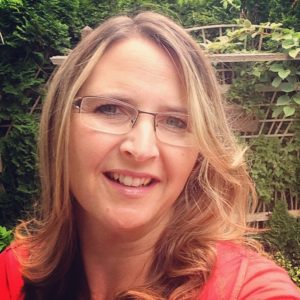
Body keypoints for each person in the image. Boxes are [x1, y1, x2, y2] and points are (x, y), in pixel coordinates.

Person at [0, 11, 299, 300]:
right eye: (110, 109)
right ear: (60, 125)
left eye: (175, 122)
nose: (141, 149)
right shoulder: (14, 274)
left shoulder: (243, 289)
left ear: (199, 154)